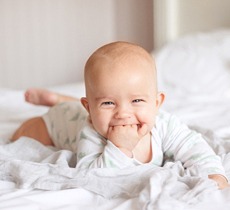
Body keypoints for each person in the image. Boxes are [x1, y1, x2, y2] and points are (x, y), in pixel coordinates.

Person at [12, 41, 228, 189]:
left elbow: (194, 147)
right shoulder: (92, 133)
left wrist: (213, 173)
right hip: (59, 121)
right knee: (23, 136)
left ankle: (61, 98)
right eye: (108, 103)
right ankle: (58, 103)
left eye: (137, 101)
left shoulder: (164, 124)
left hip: (78, 111)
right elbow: (92, 177)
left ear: (157, 102)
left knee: (84, 108)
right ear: (90, 108)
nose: (123, 114)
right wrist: (120, 148)